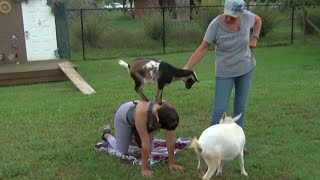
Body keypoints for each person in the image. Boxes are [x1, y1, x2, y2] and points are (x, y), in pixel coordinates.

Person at [184, 0, 262, 128]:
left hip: (246, 68)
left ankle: (238, 142)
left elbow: (258, 20)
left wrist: (255, 38)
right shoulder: (215, 25)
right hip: (225, 73)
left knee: (240, 108)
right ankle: (210, 145)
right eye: (227, 14)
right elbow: (203, 47)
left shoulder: (247, 17)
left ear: (241, 13)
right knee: (219, 110)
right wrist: (187, 68)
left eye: (232, 15)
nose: (228, 18)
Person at [101, 100, 183, 177]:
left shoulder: (169, 111)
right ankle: (106, 135)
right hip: (123, 118)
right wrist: (145, 169)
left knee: (149, 151)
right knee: (122, 151)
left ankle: (132, 138)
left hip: (146, 120)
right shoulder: (141, 113)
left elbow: (170, 138)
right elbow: (145, 143)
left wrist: (171, 163)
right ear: (158, 120)